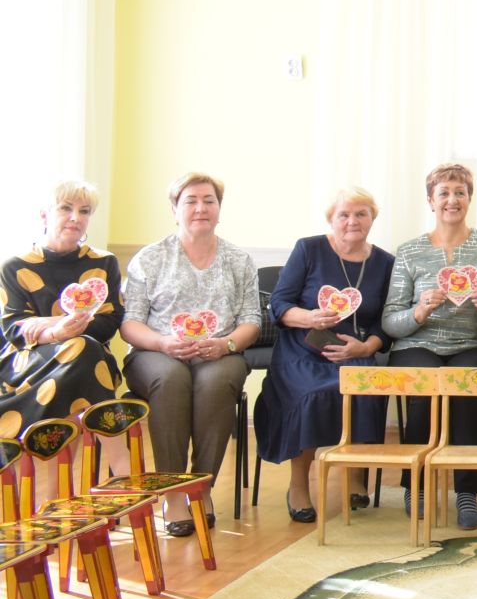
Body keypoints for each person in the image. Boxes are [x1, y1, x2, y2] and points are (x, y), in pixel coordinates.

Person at [121, 172, 261, 536]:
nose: (201, 208)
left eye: (209, 200)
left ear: (219, 209)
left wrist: (226, 344)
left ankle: (201, 487)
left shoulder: (238, 260)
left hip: (220, 351)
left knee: (217, 381)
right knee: (171, 378)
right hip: (156, 352)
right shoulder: (150, 258)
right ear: (174, 209)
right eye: (191, 201)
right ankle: (172, 493)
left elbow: (251, 322)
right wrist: (162, 342)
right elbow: (131, 323)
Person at [382, 163, 477, 532]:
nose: (452, 200)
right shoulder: (409, 251)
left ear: (469, 198)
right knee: (425, 384)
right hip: (416, 344)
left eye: (460, 193)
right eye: (444, 193)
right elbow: (390, 320)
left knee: (467, 385)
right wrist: (419, 311)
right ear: (430, 201)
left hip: (472, 343)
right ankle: (416, 484)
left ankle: (467, 491)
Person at [258, 187, 394, 523]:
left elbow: (385, 320)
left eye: (361, 214)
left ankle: (355, 477)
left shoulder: (385, 262)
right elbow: (279, 304)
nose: (352, 221)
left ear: (372, 218)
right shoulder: (309, 249)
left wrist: (367, 347)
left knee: (363, 388)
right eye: (344, 214)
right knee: (314, 394)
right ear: (331, 219)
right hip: (303, 347)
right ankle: (299, 485)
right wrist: (308, 317)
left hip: (354, 349)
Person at [0, 182, 124, 470]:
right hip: (27, 361)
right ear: (45, 215)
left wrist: (47, 324)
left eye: (84, 211)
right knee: (84, 353)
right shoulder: (14, 267)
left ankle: (54, 495)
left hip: (87, 358)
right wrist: (58, 331)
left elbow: (109, 322)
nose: (75, 217)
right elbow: (14, 328)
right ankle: (123, 469)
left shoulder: (104, 262)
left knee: (83, 352)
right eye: (65, 208)